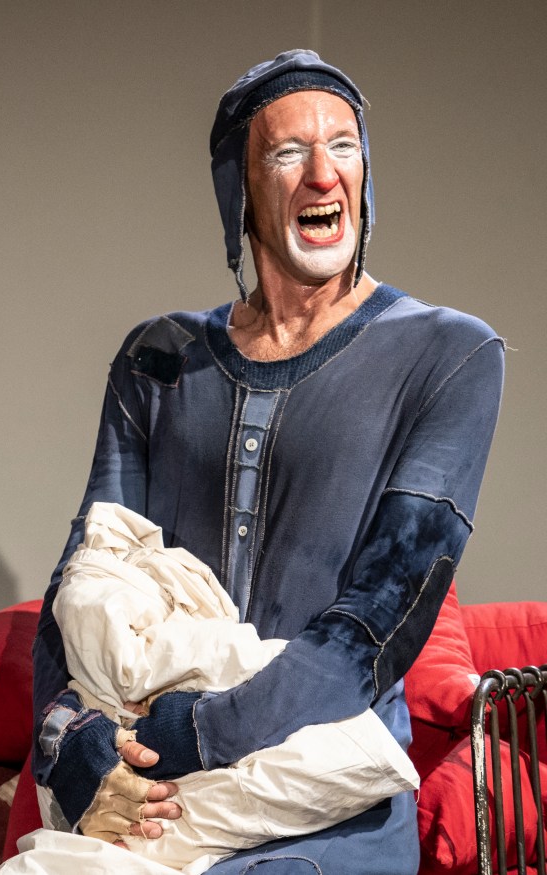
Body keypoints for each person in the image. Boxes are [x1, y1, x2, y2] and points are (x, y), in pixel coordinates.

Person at [28, 49, 505, 874]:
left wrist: (198, 730)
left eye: (344, 145)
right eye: (288, 152)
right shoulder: (158, 358)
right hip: (161, 796)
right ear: (240, 193)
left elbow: (377, 625)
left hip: (326, 808)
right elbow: (86, 576)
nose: (324, 173)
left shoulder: (449, 354)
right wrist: (68, 744)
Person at [54, 500, 419, 872]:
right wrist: (65, 734)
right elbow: (71, 609)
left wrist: (192, 728)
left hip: (335, 802)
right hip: (133, 779)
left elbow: (363, 633)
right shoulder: (112, 579)